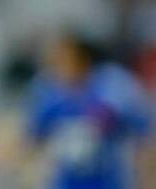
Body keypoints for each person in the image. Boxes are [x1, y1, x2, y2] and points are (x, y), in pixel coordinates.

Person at [26, 32, 151, 189]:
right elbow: (32, 138)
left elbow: (142, 130)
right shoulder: (47, 92)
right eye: (55, 63)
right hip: (67, 182)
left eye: (65, 60)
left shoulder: (111, 85)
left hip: (109, 180)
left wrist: (145, 174)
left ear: (82, 58)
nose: (61, 68)